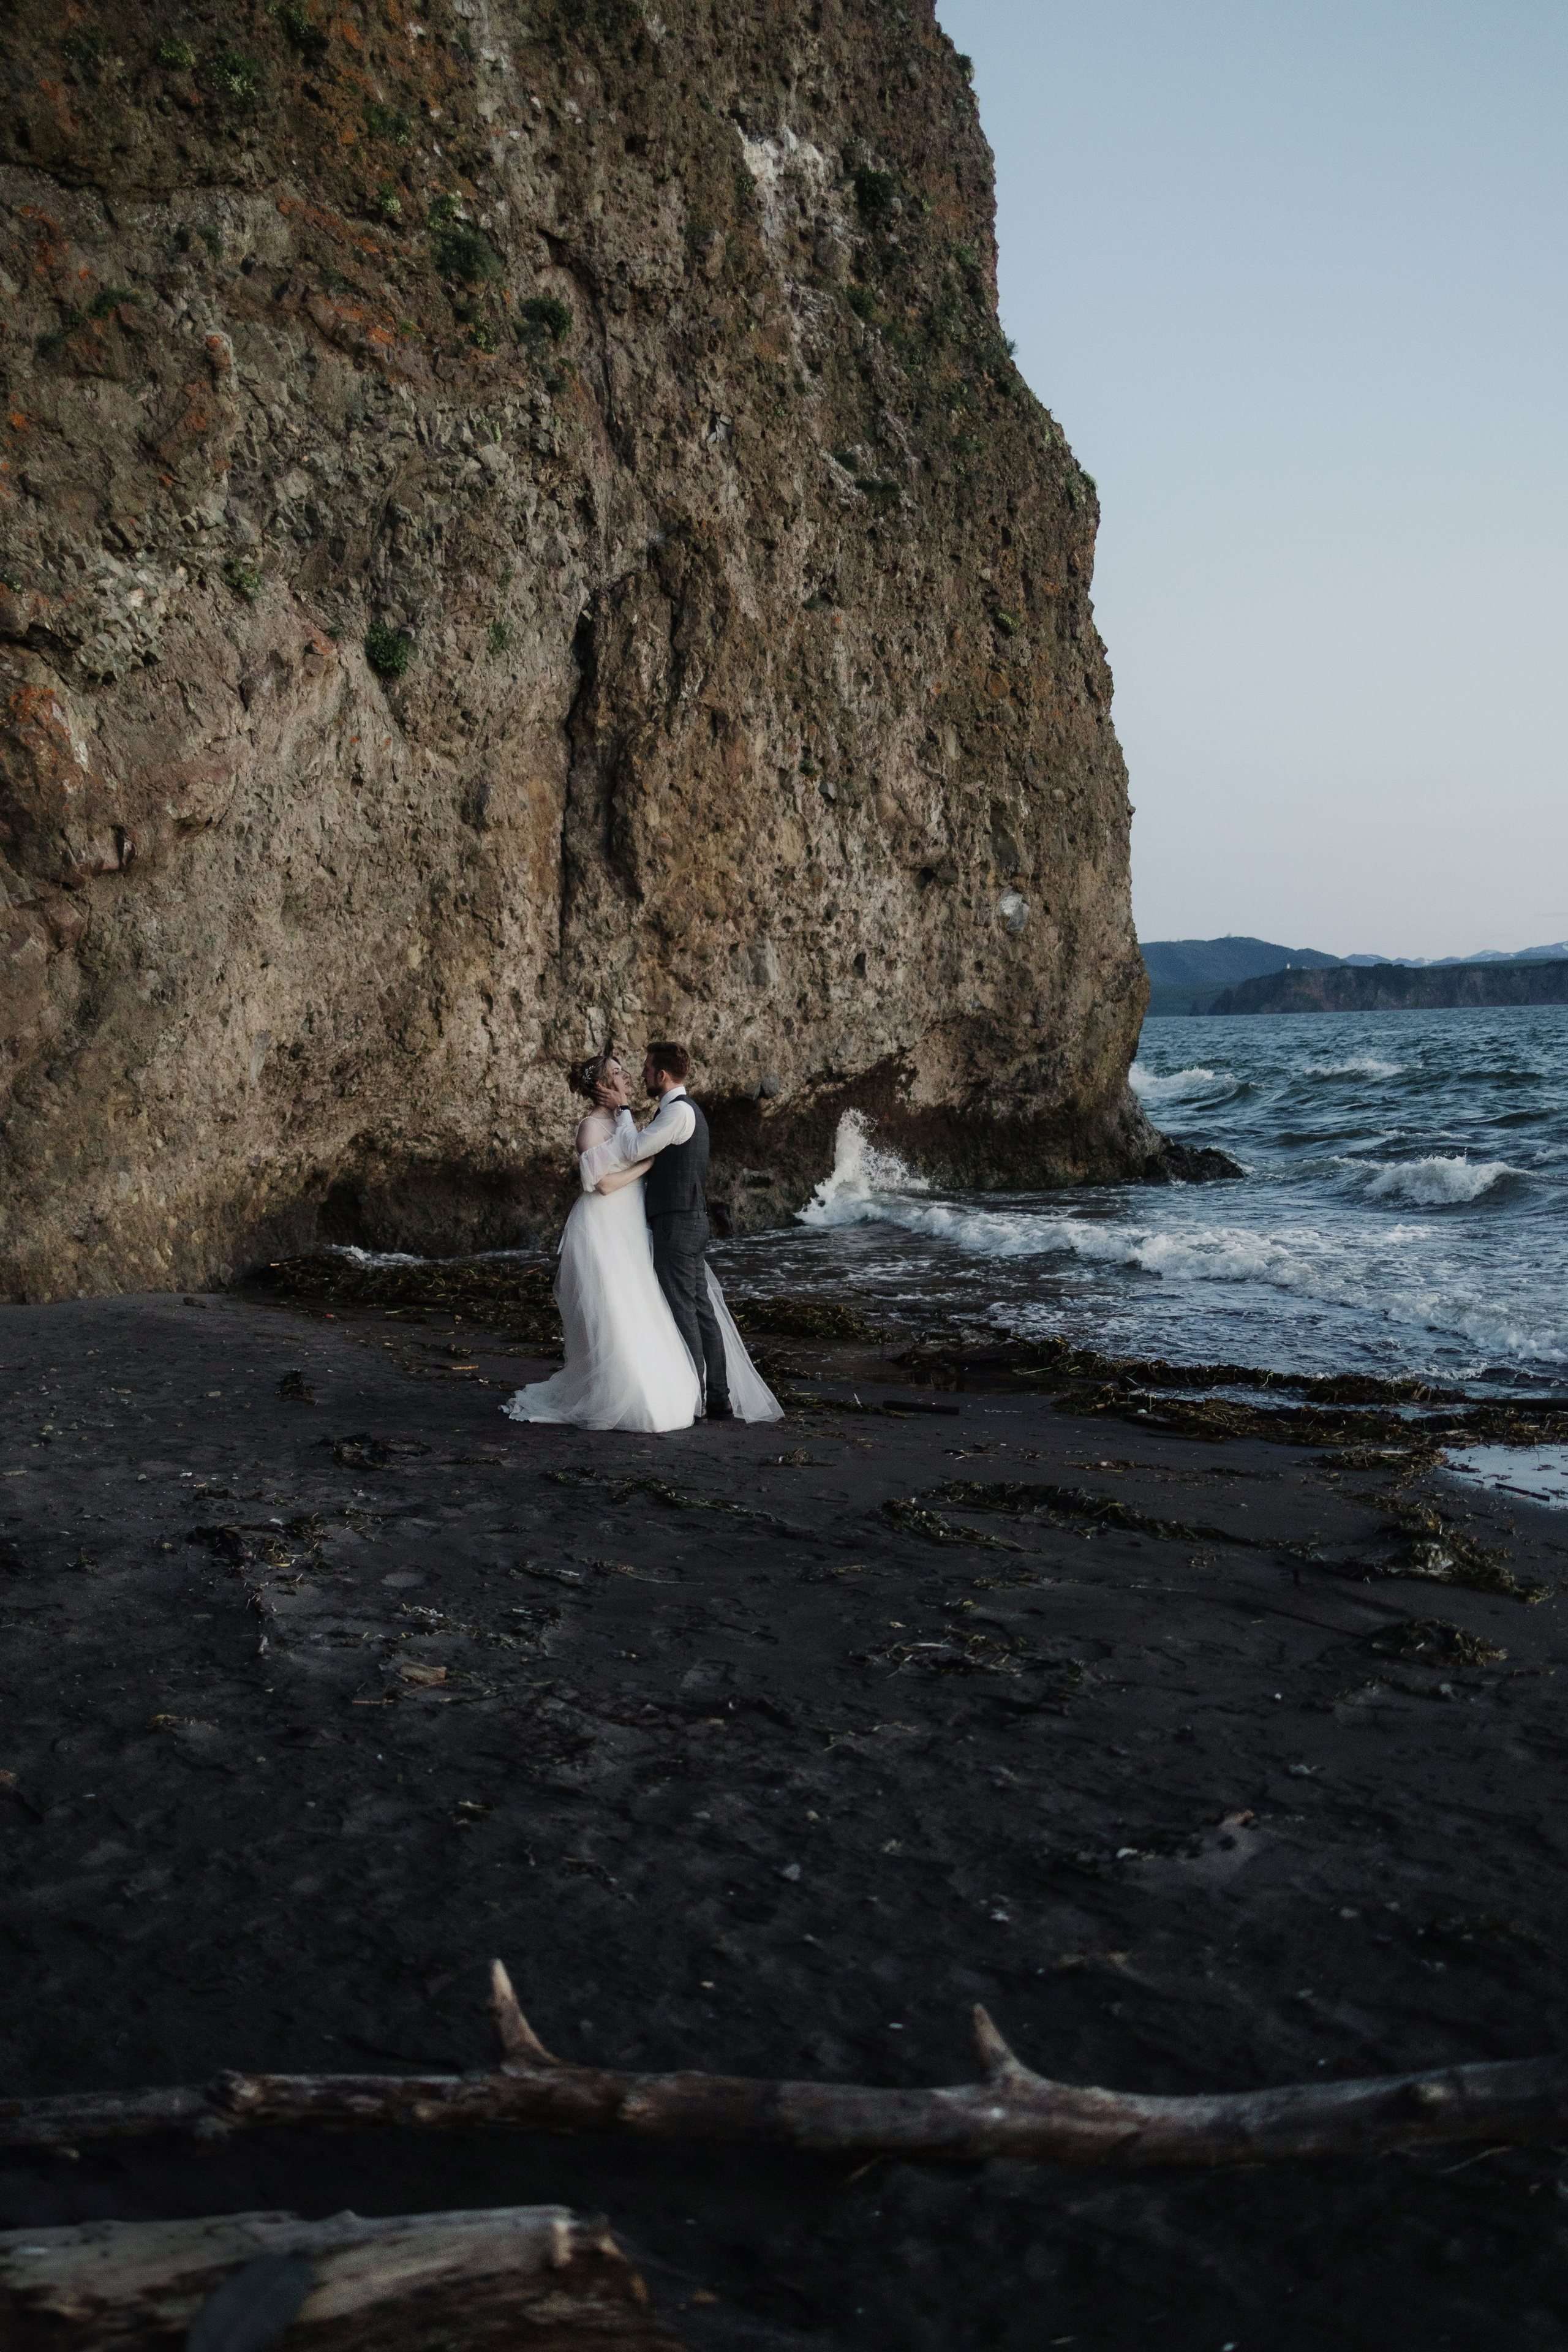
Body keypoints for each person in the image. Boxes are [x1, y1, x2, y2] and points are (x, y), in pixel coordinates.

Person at [502, 1049, 780, 1433]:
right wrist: (648, 1163)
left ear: (662, 1075)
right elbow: (602, 1183)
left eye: (641, 1069)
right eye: (619, 1072)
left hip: (651, 1223)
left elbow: (635, 1147)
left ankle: (706, 1396)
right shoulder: (593, 1127)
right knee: (644, 1305)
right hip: (612, 1223)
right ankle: (700, 1395)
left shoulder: (665, 1115)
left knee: (680, 1307)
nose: (632, 1075)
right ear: (603, 1084)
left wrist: (630, 1121)